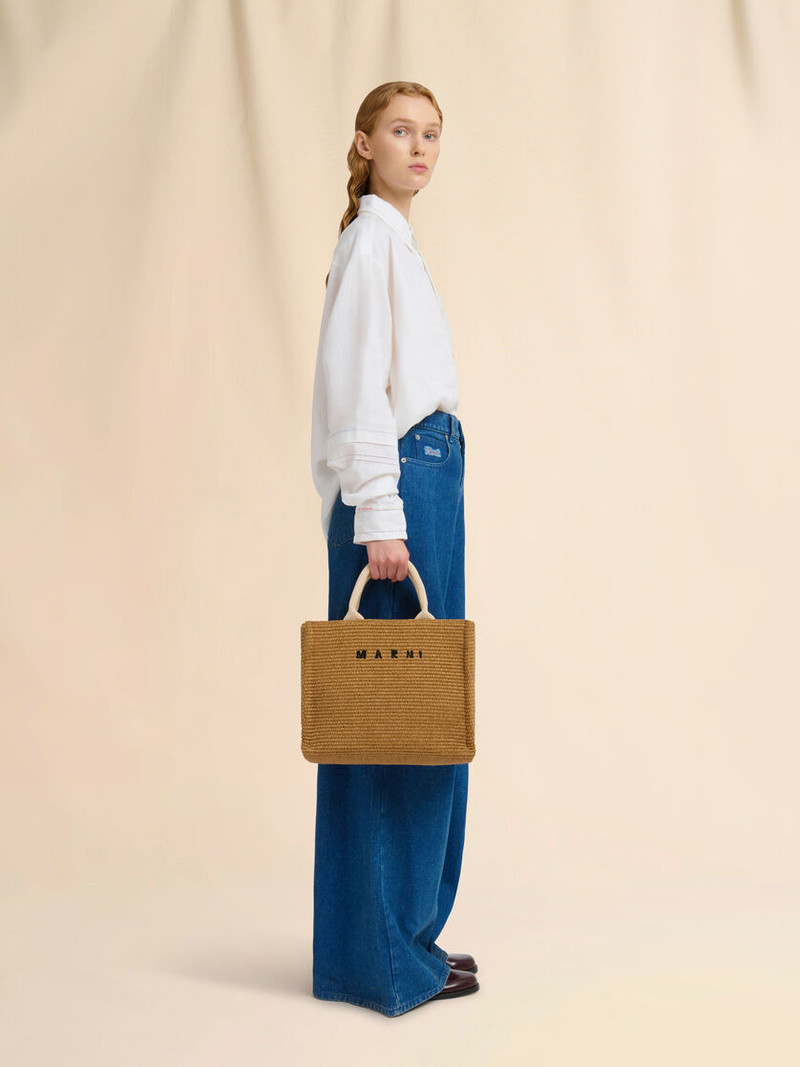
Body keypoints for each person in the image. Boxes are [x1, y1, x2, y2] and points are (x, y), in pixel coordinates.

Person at [309, 81, 478, 1017]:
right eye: (402, 130)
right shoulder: (372, 239)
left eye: (432, 134)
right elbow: (355, 386)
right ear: (365, 142)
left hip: (423, 480)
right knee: (392, 724)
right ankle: (386, 958)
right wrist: (380, 507)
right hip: (401, 487)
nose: (419, 147)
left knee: (419, 716)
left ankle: (399, 942)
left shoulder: (393, 241)